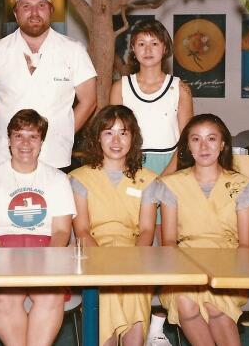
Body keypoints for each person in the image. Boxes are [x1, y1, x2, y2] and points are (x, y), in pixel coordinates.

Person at [0, 0, 97, 170]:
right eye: (26, 6)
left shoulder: (73, 50)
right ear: (16, 13)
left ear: (50, 10)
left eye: (41, 5)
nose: (34, 13)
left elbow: (89, 101)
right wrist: (8, 129)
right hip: (6, 156)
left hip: (56, 157)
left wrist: (62, 132)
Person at [0, 109, 75, 345]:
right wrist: (3, 260)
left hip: (48, 250)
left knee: (50, 297)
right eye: (18, 136)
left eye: (33, 136)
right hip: (0, 250)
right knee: (6, 297)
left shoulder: (58, 179)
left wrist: (49, 260)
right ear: (8, 141)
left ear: (41, 141)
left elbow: (61, 231)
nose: (25, 143)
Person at [154, 114, 249, 346]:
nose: (204, 146)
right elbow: (168, 241)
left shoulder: (242, 184)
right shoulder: (172, 184)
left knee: (214, 301)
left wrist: (226, 271)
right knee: (185, 300)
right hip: (184, 265)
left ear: (222, 145)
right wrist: (188, 270)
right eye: (195, 139)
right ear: (187, 146)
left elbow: (247, 244)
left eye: (211, 139)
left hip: (229, 265)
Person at [69, 105, 158, 346]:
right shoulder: (79, 179)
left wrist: (134, 258)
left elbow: (148, 230)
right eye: (109, 133)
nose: (116, 140)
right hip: (94, 252)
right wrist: (104, 261)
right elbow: (82, 231)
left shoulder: (148, 179)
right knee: (107, 286)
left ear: (133, 138)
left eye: (123, 133)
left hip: (134, 252)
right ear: (98, 137)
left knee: (135, 287)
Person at [110, 19, 193, 176]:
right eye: (141, 44)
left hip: (171, 166)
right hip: (130, 165)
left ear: (165, 48)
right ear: (133, 49)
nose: (148, 50)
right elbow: (115, 136)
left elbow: (187, 140)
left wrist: (164, 177)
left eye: (154, 43)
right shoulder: (120, 88)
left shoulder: (180, 89)